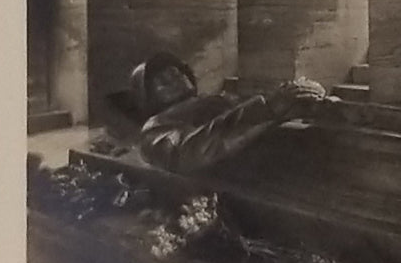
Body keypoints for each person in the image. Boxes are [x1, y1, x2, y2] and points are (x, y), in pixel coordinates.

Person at [130, 52, 328, 175]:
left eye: (176, 73)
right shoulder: (154, 128)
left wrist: (301, 99)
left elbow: (257, 112)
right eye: (163, 81)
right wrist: (269, 107)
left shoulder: (218, 100)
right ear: (148, 97)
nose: (175, 80)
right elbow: (190, 151)